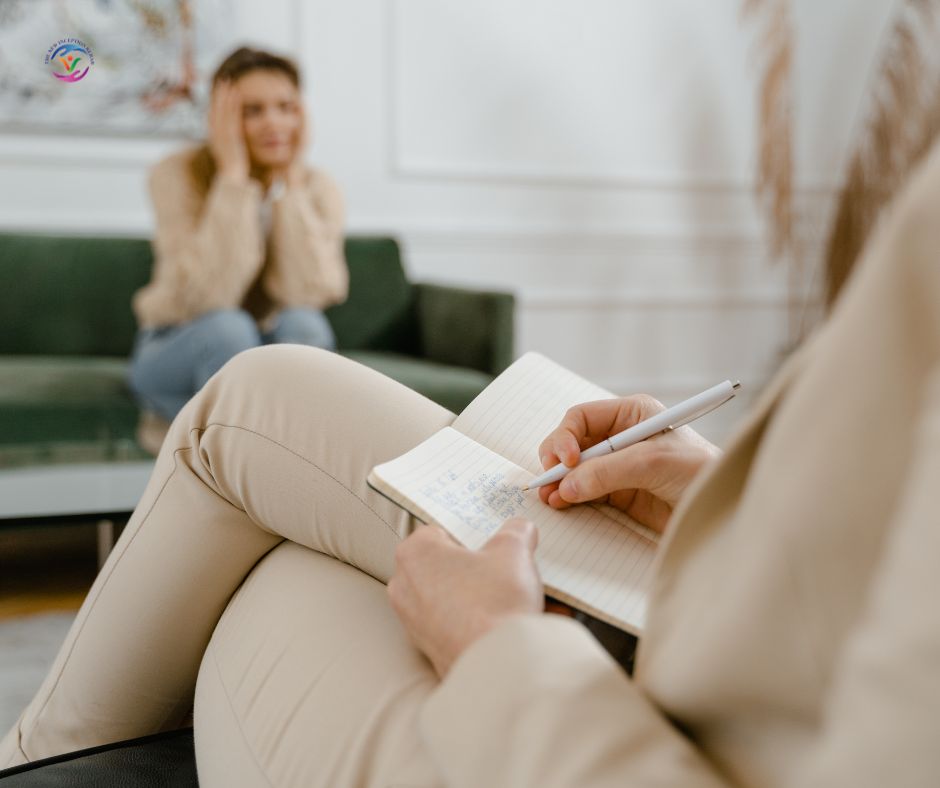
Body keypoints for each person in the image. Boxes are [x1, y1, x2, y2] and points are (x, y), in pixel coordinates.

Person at [3, 132, 940, 788]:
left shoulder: (312, 187)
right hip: (706, 641)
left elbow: (316, 288)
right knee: (257, 388)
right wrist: (717, 498)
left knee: (281, 540)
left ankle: (32, 759)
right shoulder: (187, 176)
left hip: (605, 737)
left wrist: (499, 652)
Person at [128, 46, 348, 426]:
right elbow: (208, 297)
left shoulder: (318, 186)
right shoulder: (176, 174)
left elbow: (309, 293)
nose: (274, 124)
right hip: (176, 343)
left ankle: (272, 456)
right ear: (220, 118)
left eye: (285, 107)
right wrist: (233, 179)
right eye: (253, 111)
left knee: (305, 324)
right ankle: (250, 460)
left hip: (266, 348)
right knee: (228, 329)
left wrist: (292, 185)